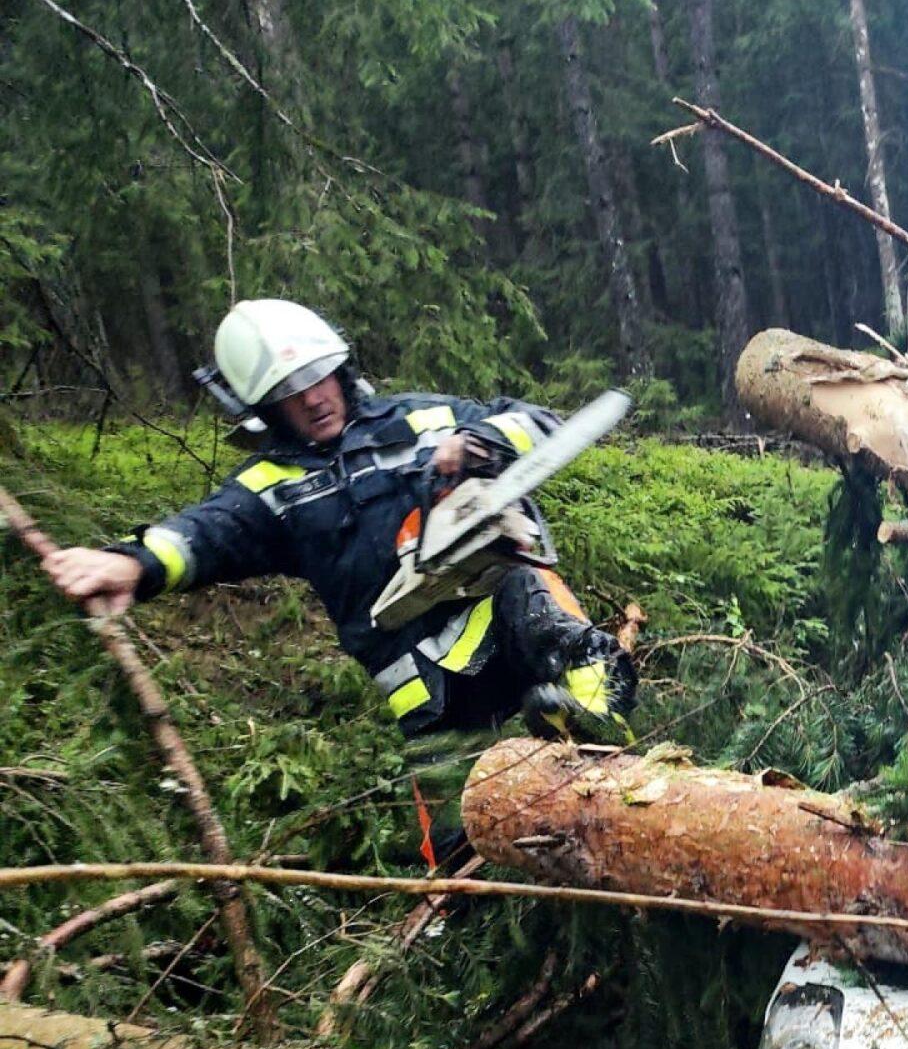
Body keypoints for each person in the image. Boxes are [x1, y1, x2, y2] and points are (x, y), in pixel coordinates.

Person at [43, 300, 637, 774]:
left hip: (497, 617)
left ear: (339, 367)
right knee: (456, 859)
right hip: (418, 682)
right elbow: (202, 534)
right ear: (264, 407)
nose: (310, 396)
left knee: (537, 600)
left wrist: (481, 443)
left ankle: (598, 719)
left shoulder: (422, 418)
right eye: (288, 390)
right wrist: (132, 563)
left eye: (315, 376)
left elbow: (537, 421)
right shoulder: (269, 487)